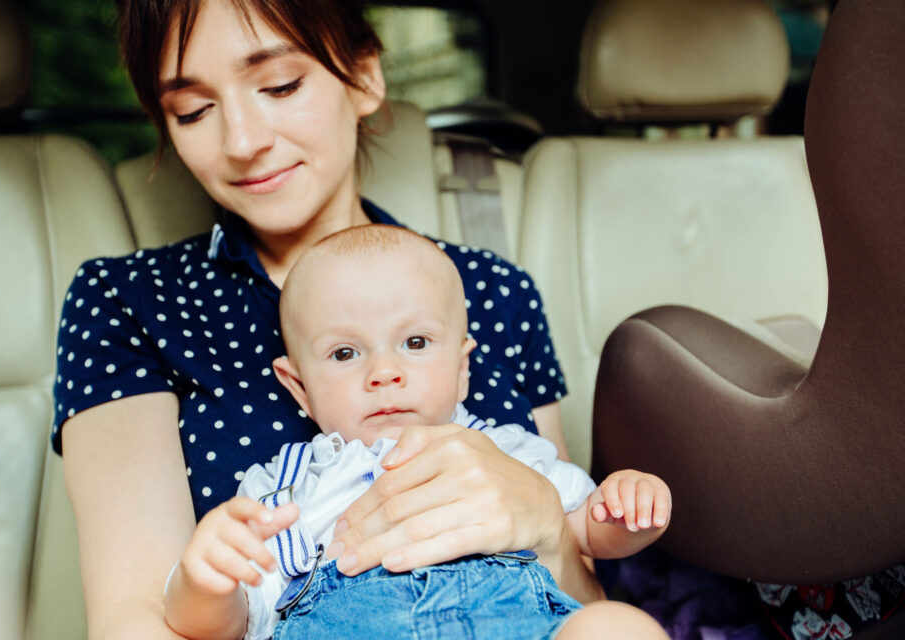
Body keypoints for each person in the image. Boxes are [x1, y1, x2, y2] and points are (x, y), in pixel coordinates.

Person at [54, 0, 613, 638]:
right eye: (193, 110)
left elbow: (582, 603)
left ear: (364, 76)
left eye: (280, 85)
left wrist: (545, 522)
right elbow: (135, 620)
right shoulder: (128, 302)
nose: (242, 141)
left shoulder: (492, 290)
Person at [163, 224, 672, 639]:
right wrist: (206, 583)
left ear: (462, 369)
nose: (385, 372)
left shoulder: (506, 452)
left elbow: (584, 532)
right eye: (345, 353)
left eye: (415, 341)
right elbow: (232, 623)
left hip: (516, 622)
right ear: (299, 388)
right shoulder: (281, 490)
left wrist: (627, 510)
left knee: (620, 627)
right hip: (349, 626)